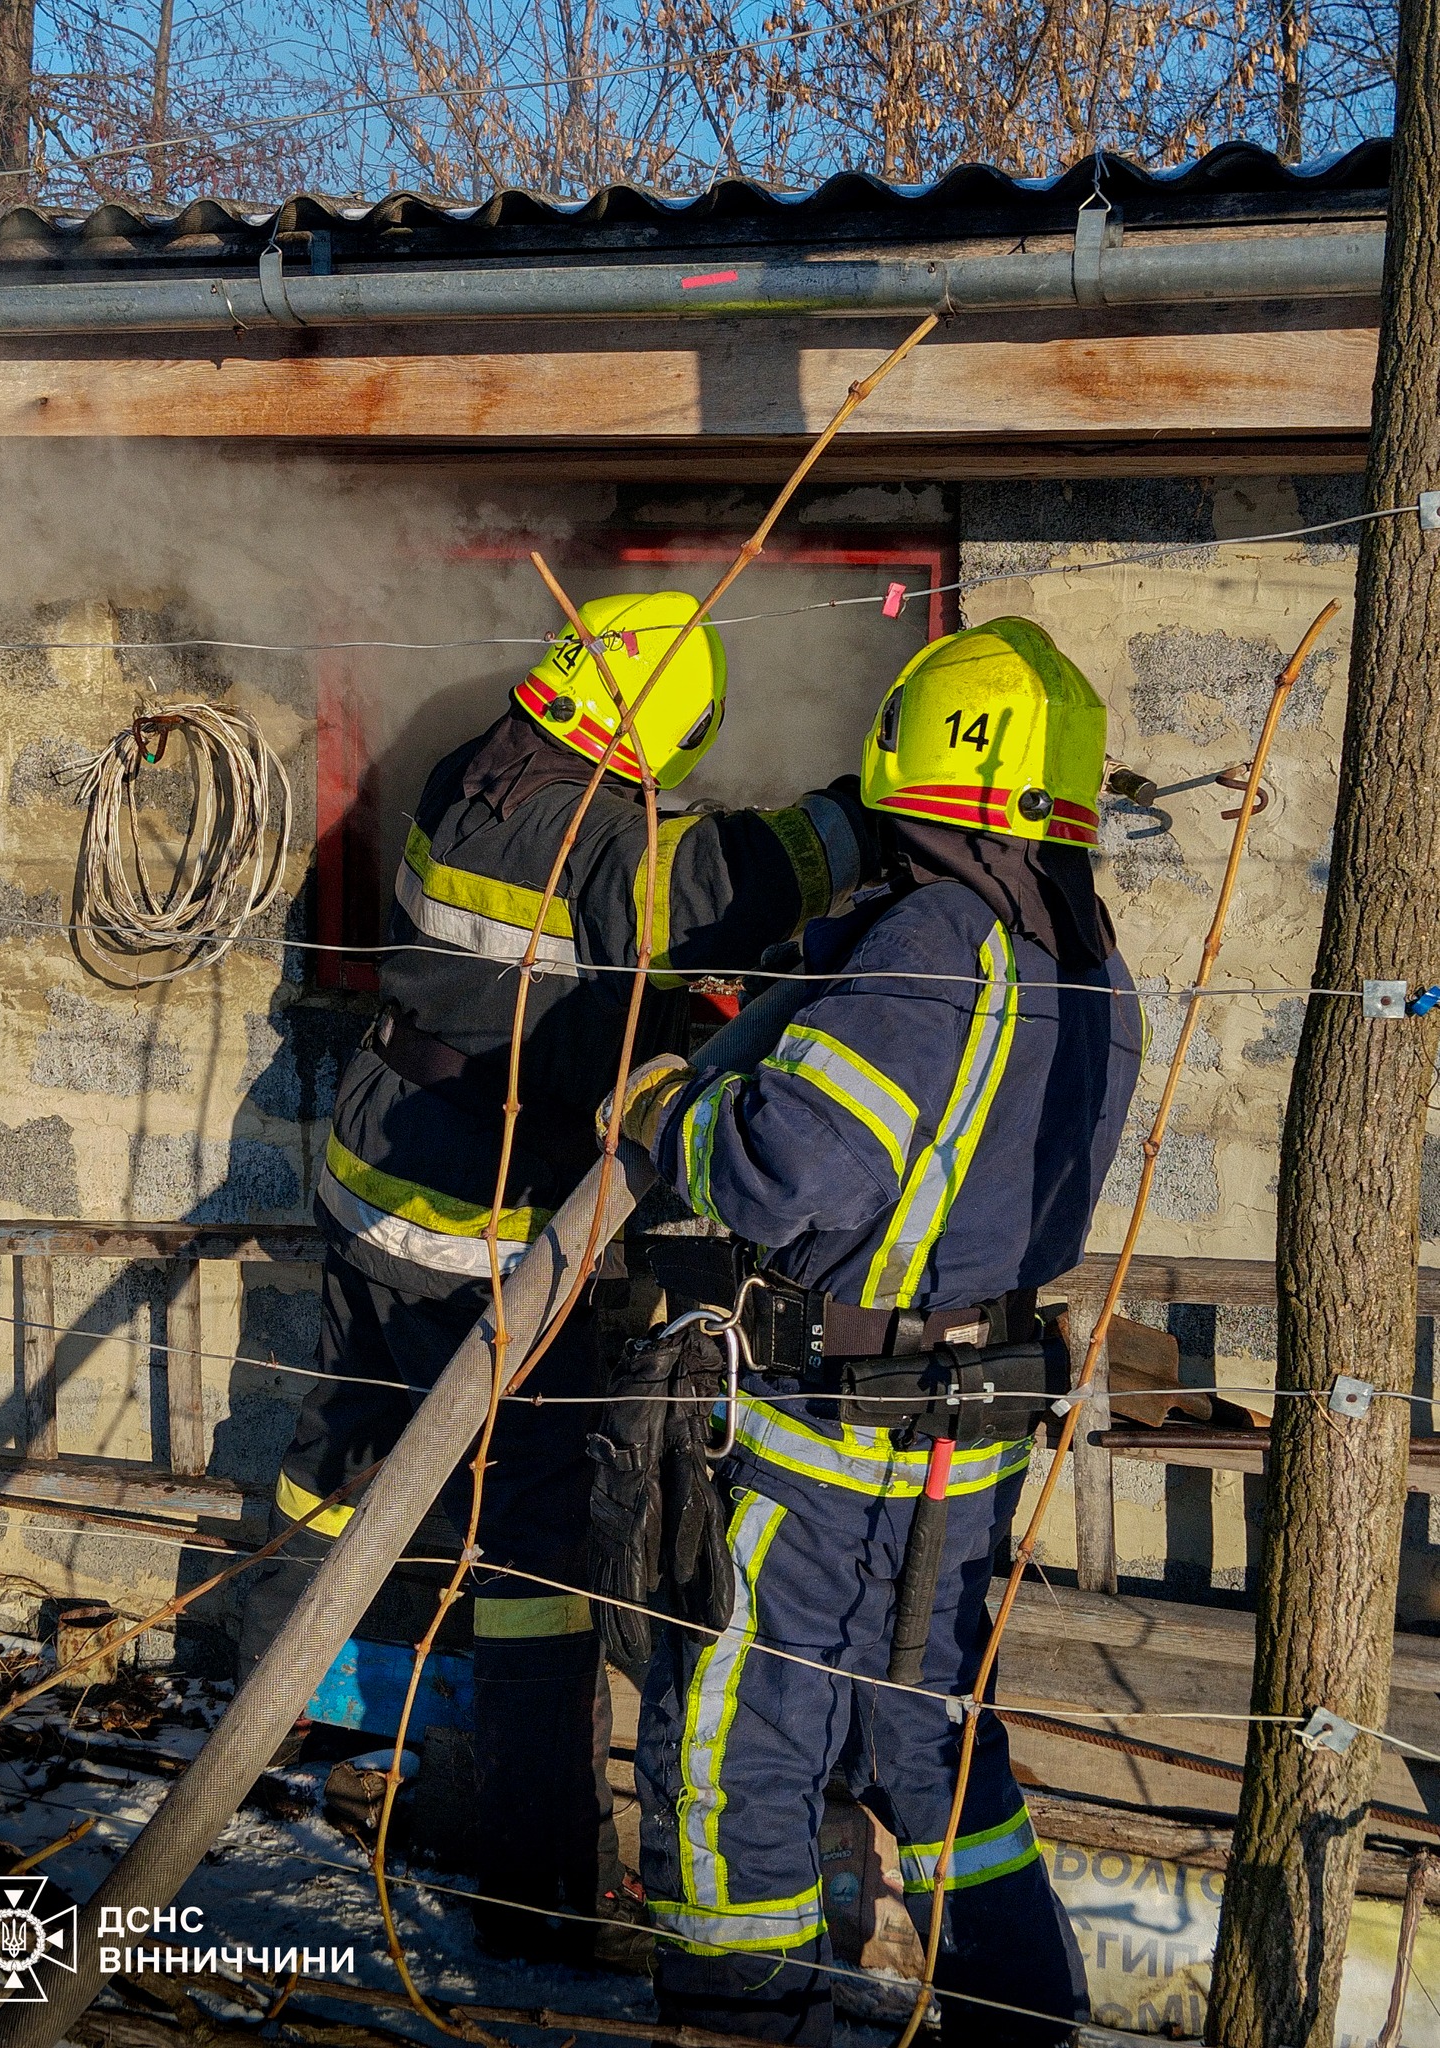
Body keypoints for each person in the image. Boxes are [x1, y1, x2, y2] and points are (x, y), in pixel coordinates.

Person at [238, 589, 880, 1965]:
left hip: (375, 1177)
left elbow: (538, 968)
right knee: (531, 1562)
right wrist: (874, 813)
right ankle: (532, 1897)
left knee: (343, 1448)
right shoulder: (588, 827)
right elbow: (720, 883)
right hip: (484, 1233)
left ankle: (289, 1696)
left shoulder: (479, 761)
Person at [607, 616, 1143, 2041]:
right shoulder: (1082, 949)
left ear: (907, 764)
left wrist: (671, 1108)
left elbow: (797, 1172)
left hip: (826, 1434)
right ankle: (1018, 2011)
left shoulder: (926, 937)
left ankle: (733, 2007)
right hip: (965, 1438)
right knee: (926, 1731)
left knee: (736, 1728)